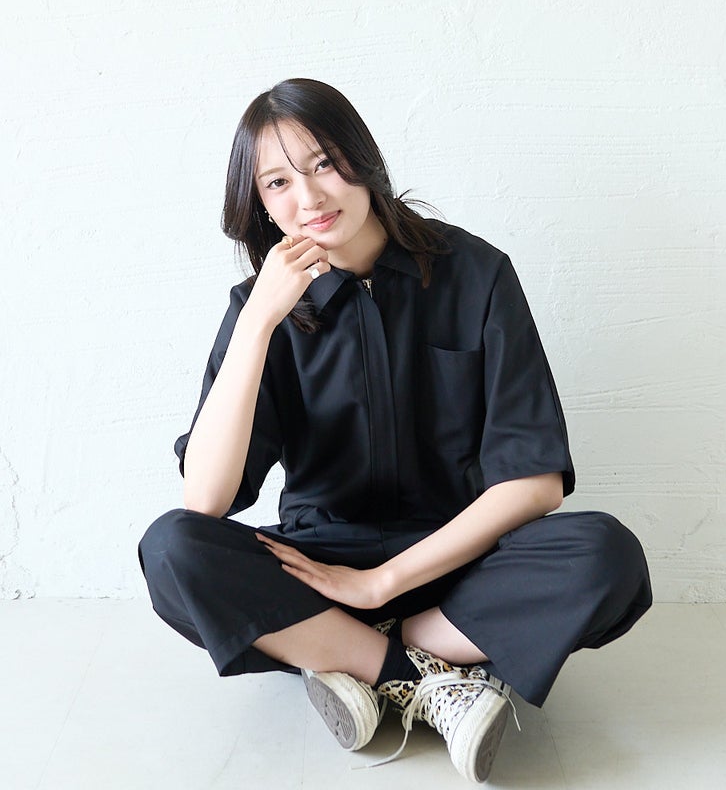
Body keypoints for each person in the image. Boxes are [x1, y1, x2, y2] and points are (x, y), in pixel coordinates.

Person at [138, 78, 652, 783]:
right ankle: (429, 677)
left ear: (362, 156)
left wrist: (382, 584)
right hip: (318, 568)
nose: (309, 197)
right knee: (171, 549)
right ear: (259, 203)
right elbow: (205, 498)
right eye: (278, 182)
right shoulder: (261, 308)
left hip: (458, 565)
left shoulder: (476, 273)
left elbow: (534, 483)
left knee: (606, 555)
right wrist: (257, 323)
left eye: (324, 163)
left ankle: (350, 660)